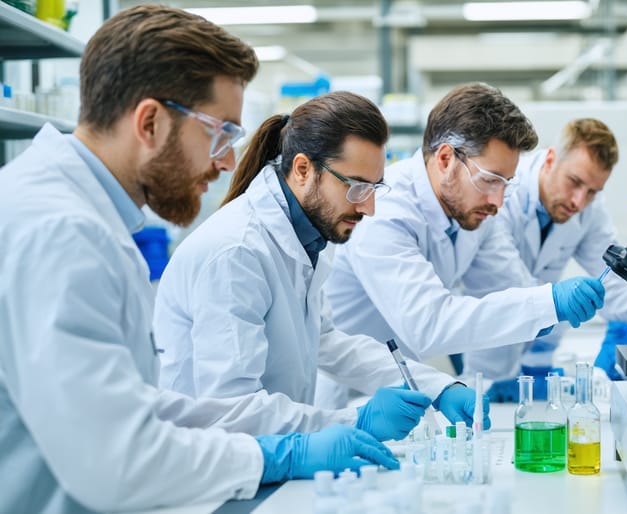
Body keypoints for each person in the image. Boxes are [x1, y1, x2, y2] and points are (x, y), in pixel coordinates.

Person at [0, 6, 396, 513]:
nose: (230, 160)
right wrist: (273, 455)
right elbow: (119, 461)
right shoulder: (62, 232)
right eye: (220, 133)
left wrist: (329, 427)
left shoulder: (85, 218)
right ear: (149, 122)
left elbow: (137, 407)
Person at [153, 91, 488, 439]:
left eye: (374, 188)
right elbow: (232, 408)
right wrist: (354, 421)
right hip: (216, 466)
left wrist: (438, 387)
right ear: (303, 169)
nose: (368, 208)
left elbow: (324, 341)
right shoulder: (236, 253)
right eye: (357, 188)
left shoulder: (310, 234)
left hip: (269, 454)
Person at [323, 83, 607, 371]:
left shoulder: (476, 213)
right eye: (490, 179)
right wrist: (549, 303)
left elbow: (510, 287)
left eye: (506, 184)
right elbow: (428, 326)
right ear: (446, 159)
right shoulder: (385, 212)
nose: (497, 201)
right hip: (348, 390)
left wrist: (552, 311)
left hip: (403, 375)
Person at [463, 118, 627, 389]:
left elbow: (613, 272)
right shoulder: (504, 196)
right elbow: (505, 283)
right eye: (574, 182)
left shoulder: (589, 208)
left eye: (592, 191)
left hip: (539, 358)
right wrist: (556, 299)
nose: (579, 201)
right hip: (489, 358)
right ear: (551, 159)